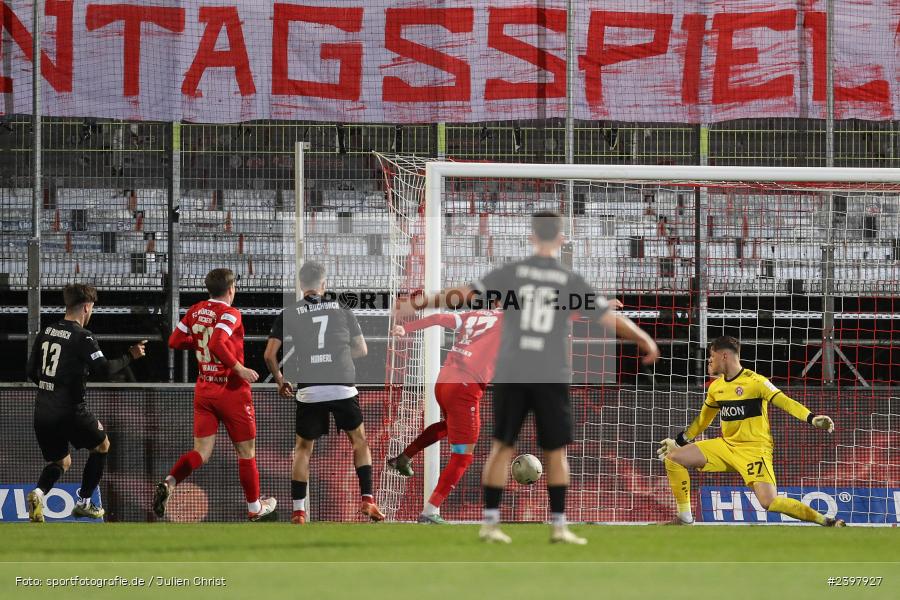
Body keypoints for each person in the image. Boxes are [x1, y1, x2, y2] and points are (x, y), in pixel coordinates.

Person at [395, 211, 660, 544]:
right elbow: (592, 314)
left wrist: (416, 304)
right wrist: (643, 338)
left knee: (498, 447)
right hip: (538, 375)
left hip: (477, 377)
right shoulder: (564, 280)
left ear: (532, 238)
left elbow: (457, 296)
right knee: (547, 451)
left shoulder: (509, 279)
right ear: (561, 239)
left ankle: (489, 523)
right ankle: (556, 526)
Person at [657, 335, 844, 527]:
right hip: (726, 446)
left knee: (769, 502)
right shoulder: (716, 387)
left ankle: (825, 520)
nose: (709, 361)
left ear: (724, 356)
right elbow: (703, 420)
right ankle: (685, 517)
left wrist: (812, 418)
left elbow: (785, 402)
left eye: (711, 357)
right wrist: (679, 442)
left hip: (754, 450)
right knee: (674, 458)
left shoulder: (756, 382)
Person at [264, 261, 383, 525]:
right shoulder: (342, 308)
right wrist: (337, 358)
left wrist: (280, 380)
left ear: (301, 285)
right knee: (359, 442)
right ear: (324, 285)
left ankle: (298, 512)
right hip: (342, 384)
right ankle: (368, 499)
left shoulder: (290, 312)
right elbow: (362, 350)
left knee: (303, 449)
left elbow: (269, 355)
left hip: (310, 388)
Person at [154, 268, 276, 522]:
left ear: (209, 289)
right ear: (231, 289)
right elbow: (217, 342)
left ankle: (170, 481)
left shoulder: (196, 309)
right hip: (231, 391)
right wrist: (239, 368)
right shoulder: (231, 313)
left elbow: (175, 341)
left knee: (201, 452)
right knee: (246, 452)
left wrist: (198, 342)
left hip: (204, 389)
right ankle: (255, 508)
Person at [26, 283, 146, 522]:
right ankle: (84, 502)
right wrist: (129, 356)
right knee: (102, 446)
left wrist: (52, 389)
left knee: (62, 461)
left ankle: (38, 493)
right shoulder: (83, 336)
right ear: (87, 307)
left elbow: (31, 371)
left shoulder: (47, 330)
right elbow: (105, 369)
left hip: (43, 410)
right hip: (70, 411)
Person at [386, 305, 503, 524]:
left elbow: (439, 317)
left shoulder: (475, 314)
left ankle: (404, 457)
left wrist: (406, 328)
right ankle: (430, 511)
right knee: (463, 456)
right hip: (465, 387)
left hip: (444, 380)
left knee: (450, 425)